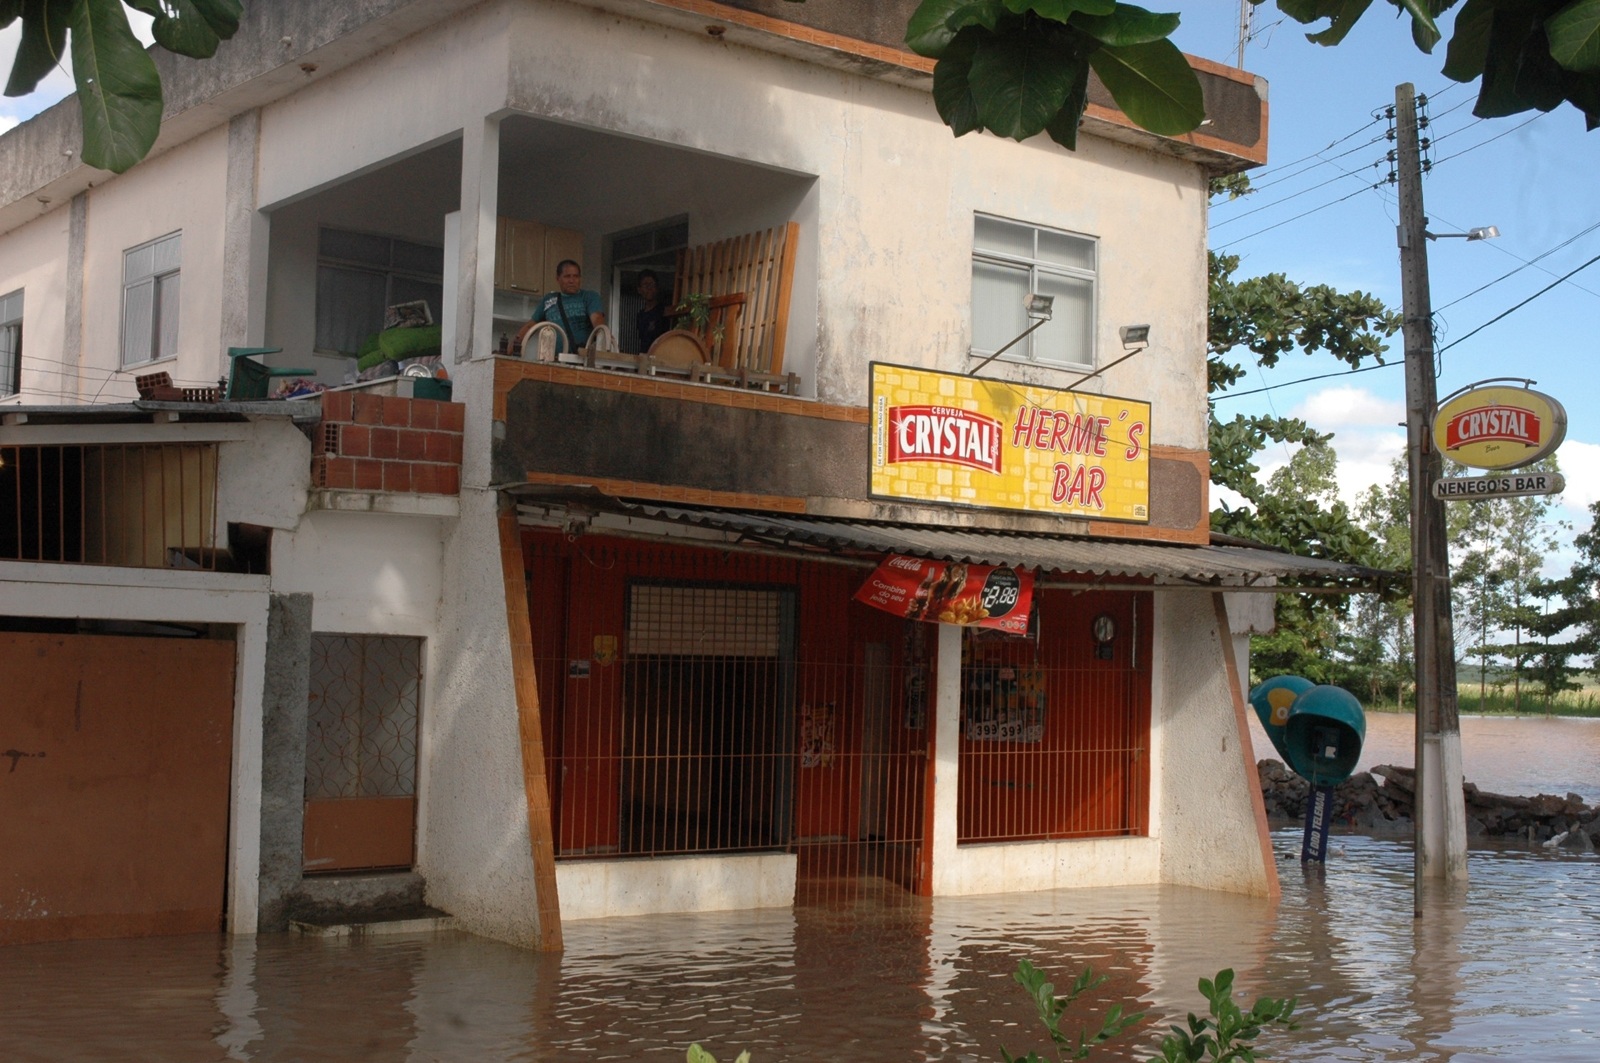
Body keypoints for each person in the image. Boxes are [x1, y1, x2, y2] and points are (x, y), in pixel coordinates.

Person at [531, 259, 605, 352]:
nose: (572, 281)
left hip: (581, 359)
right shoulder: (549, 299)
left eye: (576, 276)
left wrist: (604, 338)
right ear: (558, 279)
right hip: (552, 359)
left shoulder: (589, 297)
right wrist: (512, 349)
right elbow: (530, 327)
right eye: (567, 276)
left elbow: (598, 322)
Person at [634, 269, 669, 353]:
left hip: (661, 356)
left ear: (657, 288)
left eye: (652, 284)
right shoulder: (640, 315)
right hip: (645, 356)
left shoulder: (664, 311)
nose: (649, 288)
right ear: (639, 289)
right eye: (645, 285)